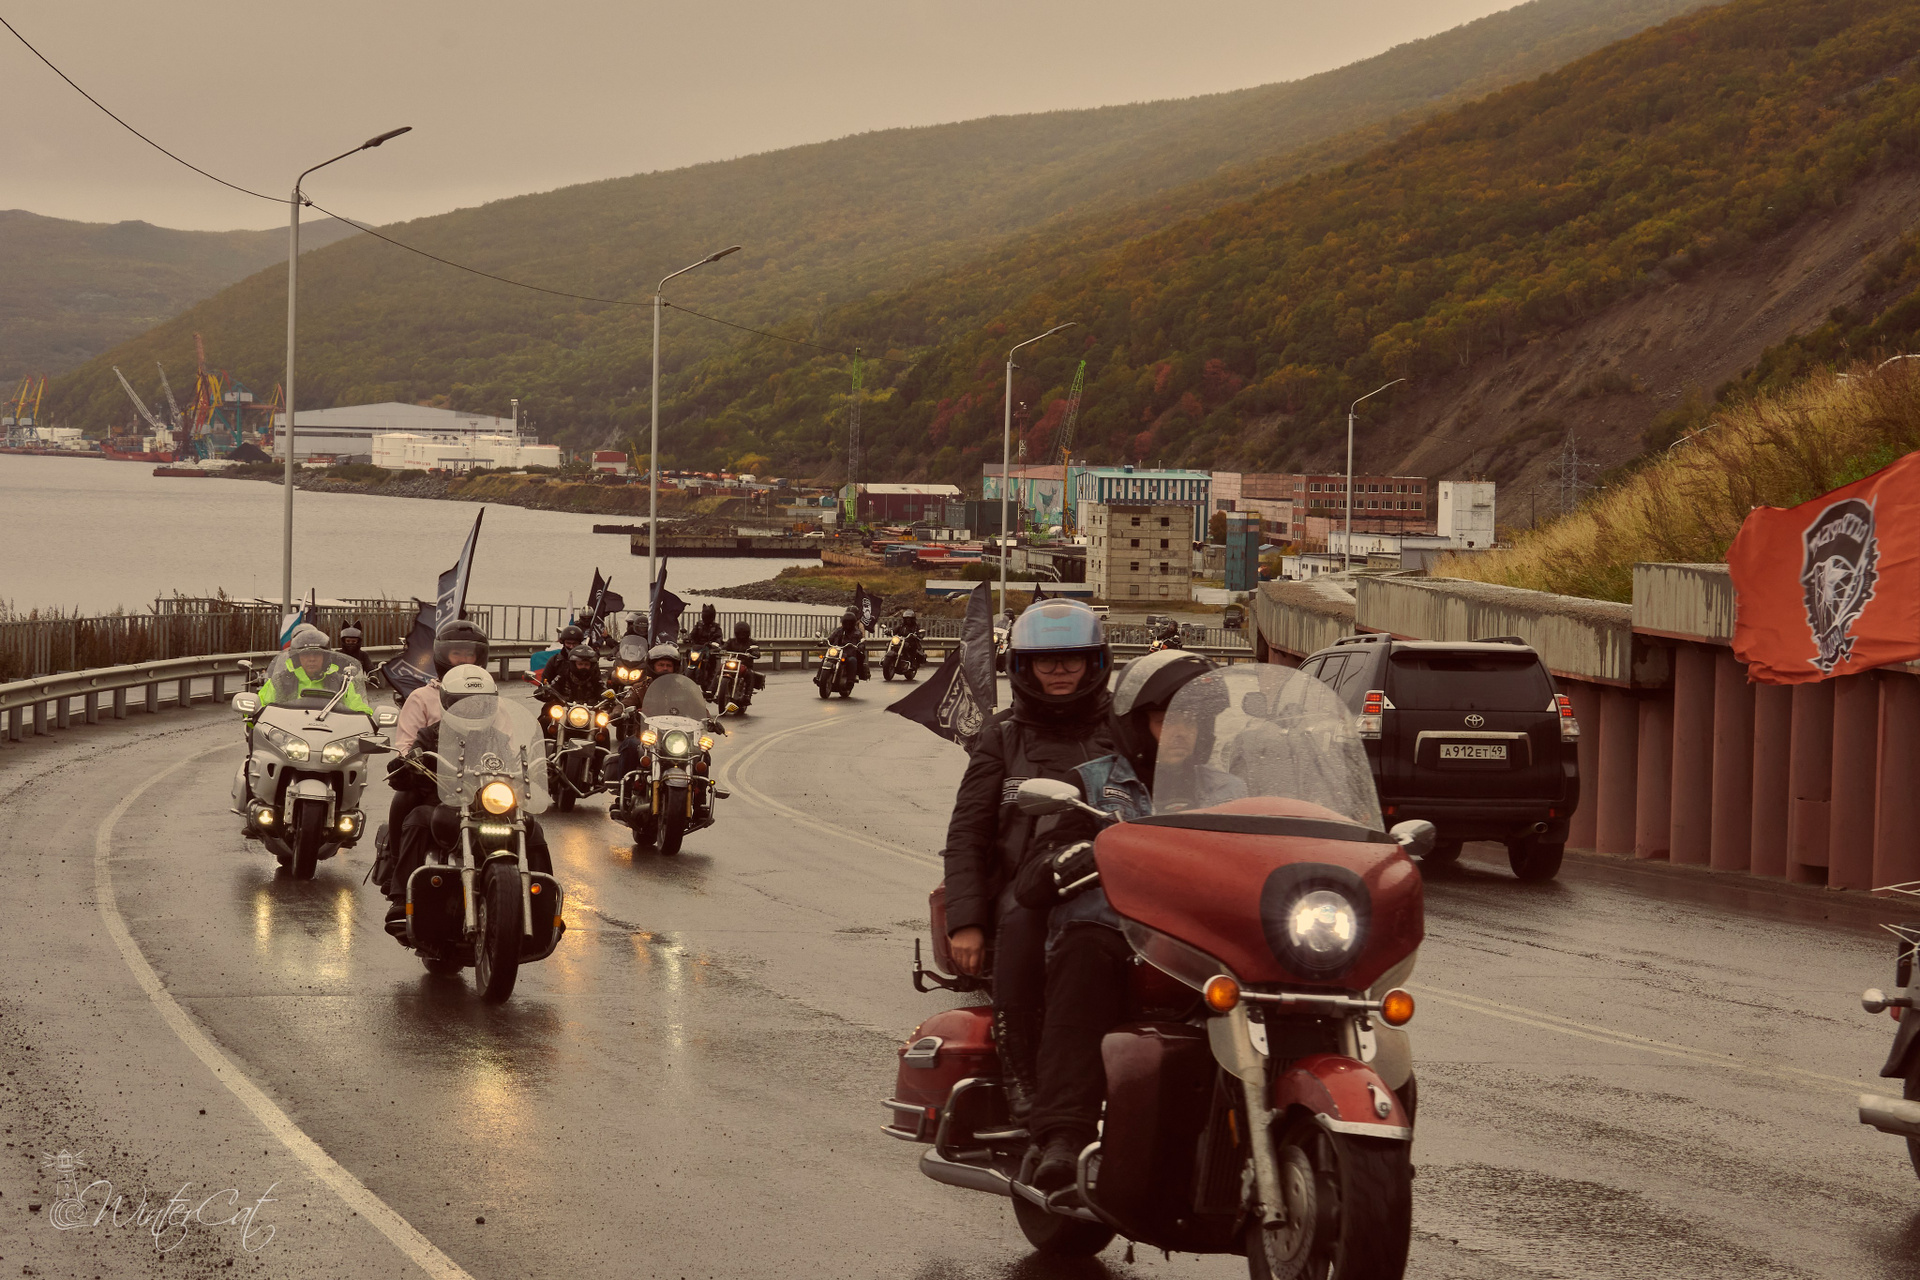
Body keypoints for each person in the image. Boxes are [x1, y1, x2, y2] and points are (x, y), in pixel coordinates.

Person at [1011, 648, 1228, 1191]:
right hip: (1116, 936)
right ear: (1135, 724)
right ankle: (1062, 1135)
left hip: (1205, 942)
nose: (1181, 732)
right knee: (1085, 952)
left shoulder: (1231, 792)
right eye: (1165, 719)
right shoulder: (1090, 785)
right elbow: (1035, 875)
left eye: (1193, 721)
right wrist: (1077, 855)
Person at [939, 598, 1114, 1123]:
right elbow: (967, 832)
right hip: (1028, 884)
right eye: (1045, 661)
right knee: (1021, 919)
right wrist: (966, 921)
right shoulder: (1002, 735)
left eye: (1071, 659)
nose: (1059, 670)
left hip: (1115, 875)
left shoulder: (1123, 727)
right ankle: (1021, 1073)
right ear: (1024, 667)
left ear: (1094, 662)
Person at [385, 665, 553, 925]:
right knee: (418, 818)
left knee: (532, 827)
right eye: (464, 704)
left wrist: (535, 768)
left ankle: (545, 905)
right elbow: (411, 763)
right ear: (447, 703)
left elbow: (515, 765)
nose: (472, 709)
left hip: (492, 806)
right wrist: (408, 765)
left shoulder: (497, 737)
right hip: (444, 804)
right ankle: (400, 897)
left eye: (480, 704)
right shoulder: (431, 735)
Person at [384, 619, 488, 868]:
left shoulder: (491, 698)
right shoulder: (422, 698)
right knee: (405, 799)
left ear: (479, 657)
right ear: (443, 656)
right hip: (435, 782)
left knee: (528, 824)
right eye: (456, 653)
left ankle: (538, 885)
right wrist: (412, 761)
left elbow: (510, 742)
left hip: (484, 787)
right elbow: (406, 746)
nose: (463, 660)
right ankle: (396, 867)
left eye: (469, 654)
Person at [605, 644, 686, 815]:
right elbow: (625, 703)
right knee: (629, 745)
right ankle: (624, 796)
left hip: (676, 739)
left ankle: (700, 803)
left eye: (669, 665)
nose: (665, 668)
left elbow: (699, 708)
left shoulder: (683, 689)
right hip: (646, 738)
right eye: (661, 665)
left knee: (702, 753)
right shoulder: (640, 688)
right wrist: (618, 712)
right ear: (652, 666)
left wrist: (709, 720)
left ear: (675, 667)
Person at [257, 625, 374, 715]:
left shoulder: (341, 684)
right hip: (288, 734)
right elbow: (260, 706)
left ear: (326, 657)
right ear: (297, 658)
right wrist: (253, 712)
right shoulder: (279, 682)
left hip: (331, 733)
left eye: (317, 654)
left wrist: (366, 716)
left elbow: (359, 706)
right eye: (306, 654)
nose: (312, 659)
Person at [827, 606, 870, 681]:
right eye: (846, 622)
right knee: (826, 658)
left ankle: (851, 679)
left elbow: (861, 640)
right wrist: (825, 641)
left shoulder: (857, 632)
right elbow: (831, 638)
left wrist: (861, 645)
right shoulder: (839, 630)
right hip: (838, 651)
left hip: (849, 653)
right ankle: (819, 676)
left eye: (849, 622)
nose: (847, 624)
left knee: (853, 660)